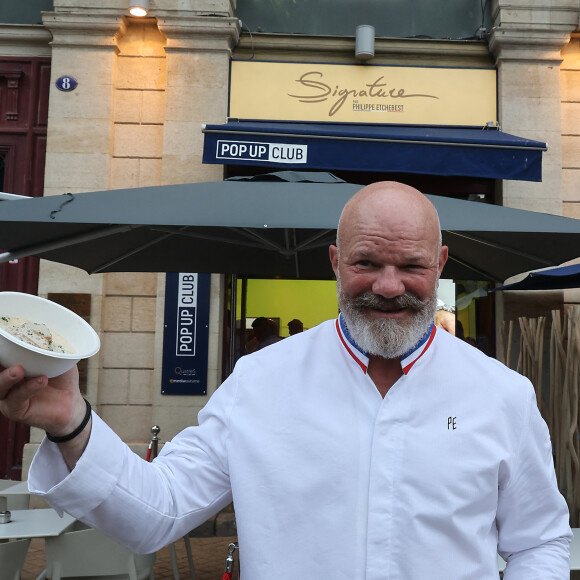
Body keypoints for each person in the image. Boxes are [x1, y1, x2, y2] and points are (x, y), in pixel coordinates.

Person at [0, 182, 571, 579]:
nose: (390, 286)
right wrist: (70, 424)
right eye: (367, 262)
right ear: (334, 262)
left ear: (441, 264)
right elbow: (159, 510)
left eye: (412, 266)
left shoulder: (502, 394)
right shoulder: (260, 381)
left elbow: (539, 541)